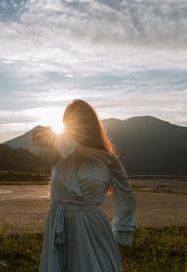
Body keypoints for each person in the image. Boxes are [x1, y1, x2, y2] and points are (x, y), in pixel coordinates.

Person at [34, 99, 136, 272]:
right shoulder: (58, 151)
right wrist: (80, 150)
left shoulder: (107, 160)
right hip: (59, 229)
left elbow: (126, 195)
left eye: (82, 122)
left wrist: (121, 230)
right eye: (72, 121)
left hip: (93, 229)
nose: (78, 128)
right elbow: (37, 134)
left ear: (91, 125)